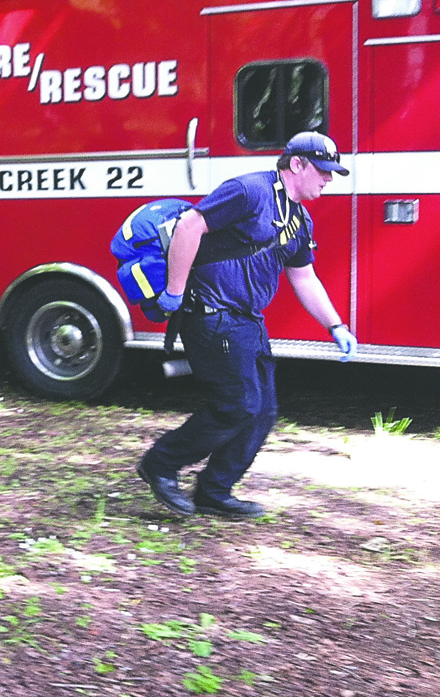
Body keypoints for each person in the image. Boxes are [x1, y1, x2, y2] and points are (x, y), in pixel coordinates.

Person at [137, 131, 357, 519]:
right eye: (323, 170)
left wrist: (335, 325)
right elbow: (190, 225)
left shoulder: (299, 218)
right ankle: (160, 463)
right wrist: (174, 290)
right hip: (211, 314)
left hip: (248, 322)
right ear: (297, 164)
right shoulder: (249, 190)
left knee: (264, 410)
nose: (329, 179)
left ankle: (214, 491)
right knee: (238, 403)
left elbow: (304, 277)